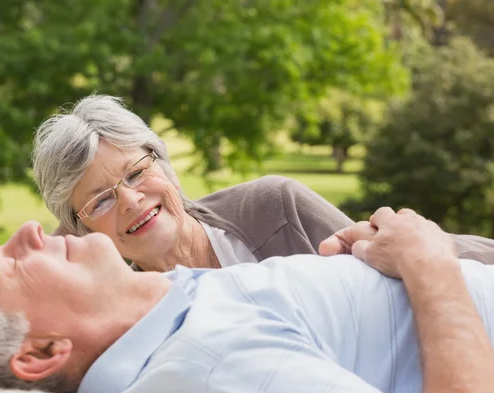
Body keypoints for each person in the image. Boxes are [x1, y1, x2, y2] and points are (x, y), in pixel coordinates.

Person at [0, 207, 494, 393]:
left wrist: (348, 274)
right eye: (6, 265)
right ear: (39, 352)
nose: (29, 230)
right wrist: (427, 262)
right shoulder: (204, 372)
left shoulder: (173, 310)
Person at [32, 95, 494, 272]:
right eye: (101, 201)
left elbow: (389, 254)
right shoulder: (104, 300)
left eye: (136, 173)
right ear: (81, 227)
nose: (132, 200)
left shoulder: (273, 208)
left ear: (165, 166)